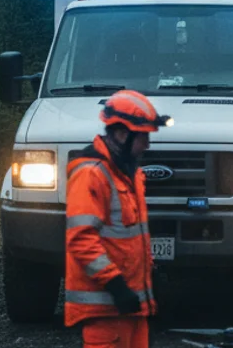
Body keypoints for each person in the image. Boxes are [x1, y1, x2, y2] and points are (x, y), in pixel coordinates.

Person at [65, 90, 172, 348]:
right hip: (106, 312)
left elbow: (131, 238)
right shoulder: (91, 174)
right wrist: (116, 285)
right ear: (122, 134)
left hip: (132, 308)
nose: (147, 144)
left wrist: (150, 281)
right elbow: (81, 240)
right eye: (143, 136)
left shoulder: (129, 174)